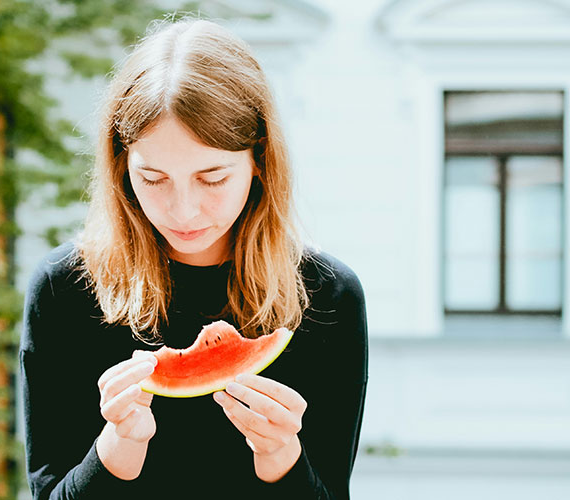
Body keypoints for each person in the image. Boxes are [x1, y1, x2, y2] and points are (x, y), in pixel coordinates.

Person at [19, 17, 368, 500]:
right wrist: (115, 450)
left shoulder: (327, 296)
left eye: (213, 178)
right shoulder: (65, 289)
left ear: (259, 162)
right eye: (154, 178)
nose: (183, 211)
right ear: (122, 168)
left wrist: (280, 459)